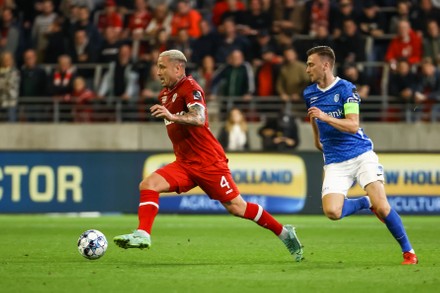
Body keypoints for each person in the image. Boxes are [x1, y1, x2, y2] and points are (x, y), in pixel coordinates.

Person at [113, 49, 304, 262]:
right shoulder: (165, 94)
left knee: (238, 208)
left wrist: (171, 115)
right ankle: (143, 234)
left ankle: (284, 233)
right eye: (158, 67)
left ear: (178, 68)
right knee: (148, 185)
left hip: (209, 163)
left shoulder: (191, 88)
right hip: (185, 163)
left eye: (162, 67)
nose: (157, 72)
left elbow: (199, 117)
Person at [303, 45, 418, 265]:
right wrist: (317, 139)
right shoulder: (309, 93)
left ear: (325, 65)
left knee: (383, 207)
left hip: (360, 154)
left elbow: (353, 125)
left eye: (311, 64)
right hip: (335, 160)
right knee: (332, 212)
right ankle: (366, 203)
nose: (307, 69)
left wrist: (326, 117)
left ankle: (409, 252)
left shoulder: (347, 89)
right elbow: (313, 116)